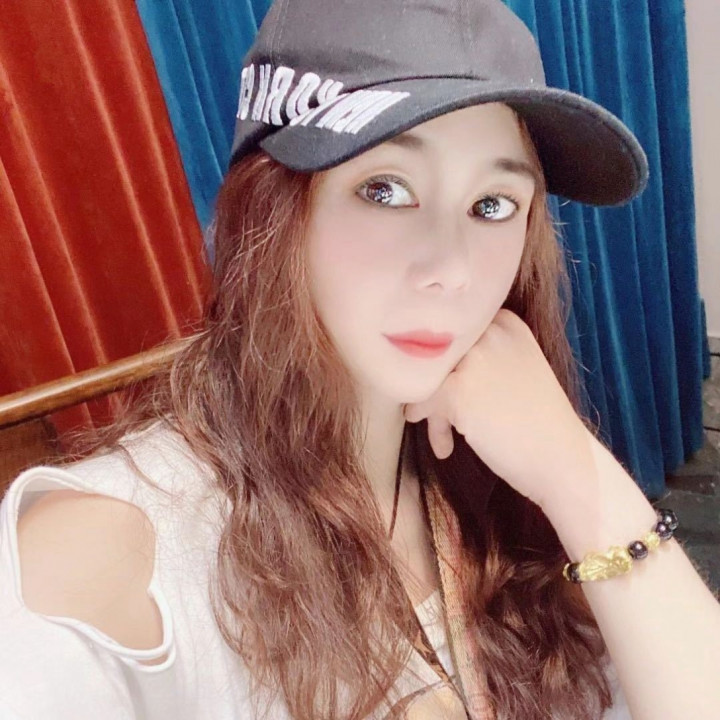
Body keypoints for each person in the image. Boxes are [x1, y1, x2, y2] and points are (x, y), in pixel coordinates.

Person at [1, 0, 719, 718]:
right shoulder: (108, 559)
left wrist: (576, 473)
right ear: (273, 210)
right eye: (385, 189)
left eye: (493, 204)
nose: (451, 269)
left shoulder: (501, 468)